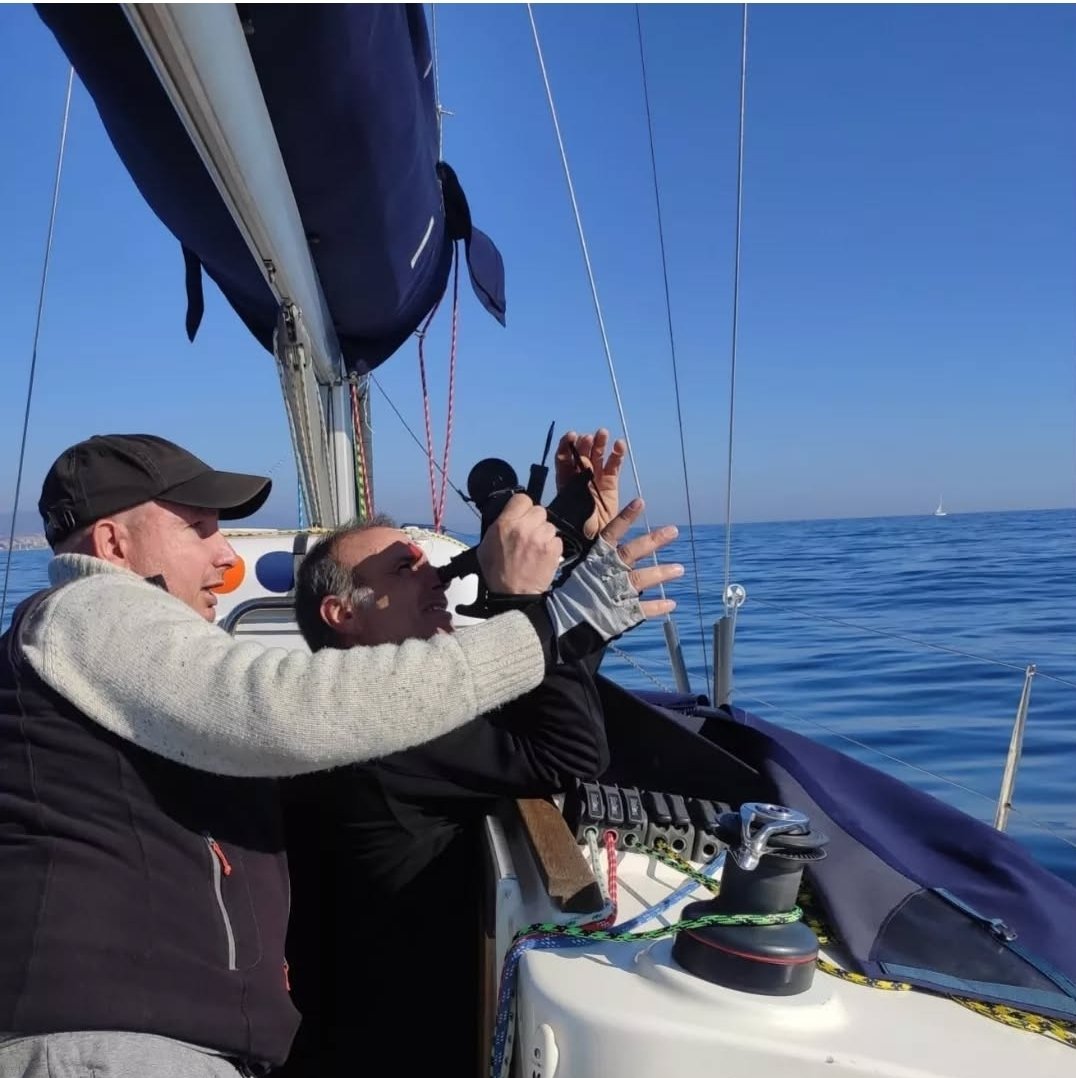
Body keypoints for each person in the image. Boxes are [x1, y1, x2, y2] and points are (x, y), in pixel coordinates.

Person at [0, 432, 681, 1078]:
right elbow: (279, 705)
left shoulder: (121, 663)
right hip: (111, 1048)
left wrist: (564, 558)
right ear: (114, 543)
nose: (224, 555)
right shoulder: (86, 609)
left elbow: (537, 718)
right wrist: (541, 613)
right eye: (199, 528)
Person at [278, 430, 660, 1076]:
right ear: (343, 614)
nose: (432, 575)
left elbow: (533, 698)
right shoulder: (375, 714)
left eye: (424, 560)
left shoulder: (380, 694)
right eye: (404, 568)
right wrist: (526, 602)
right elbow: (568, 752)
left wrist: (577, 541)